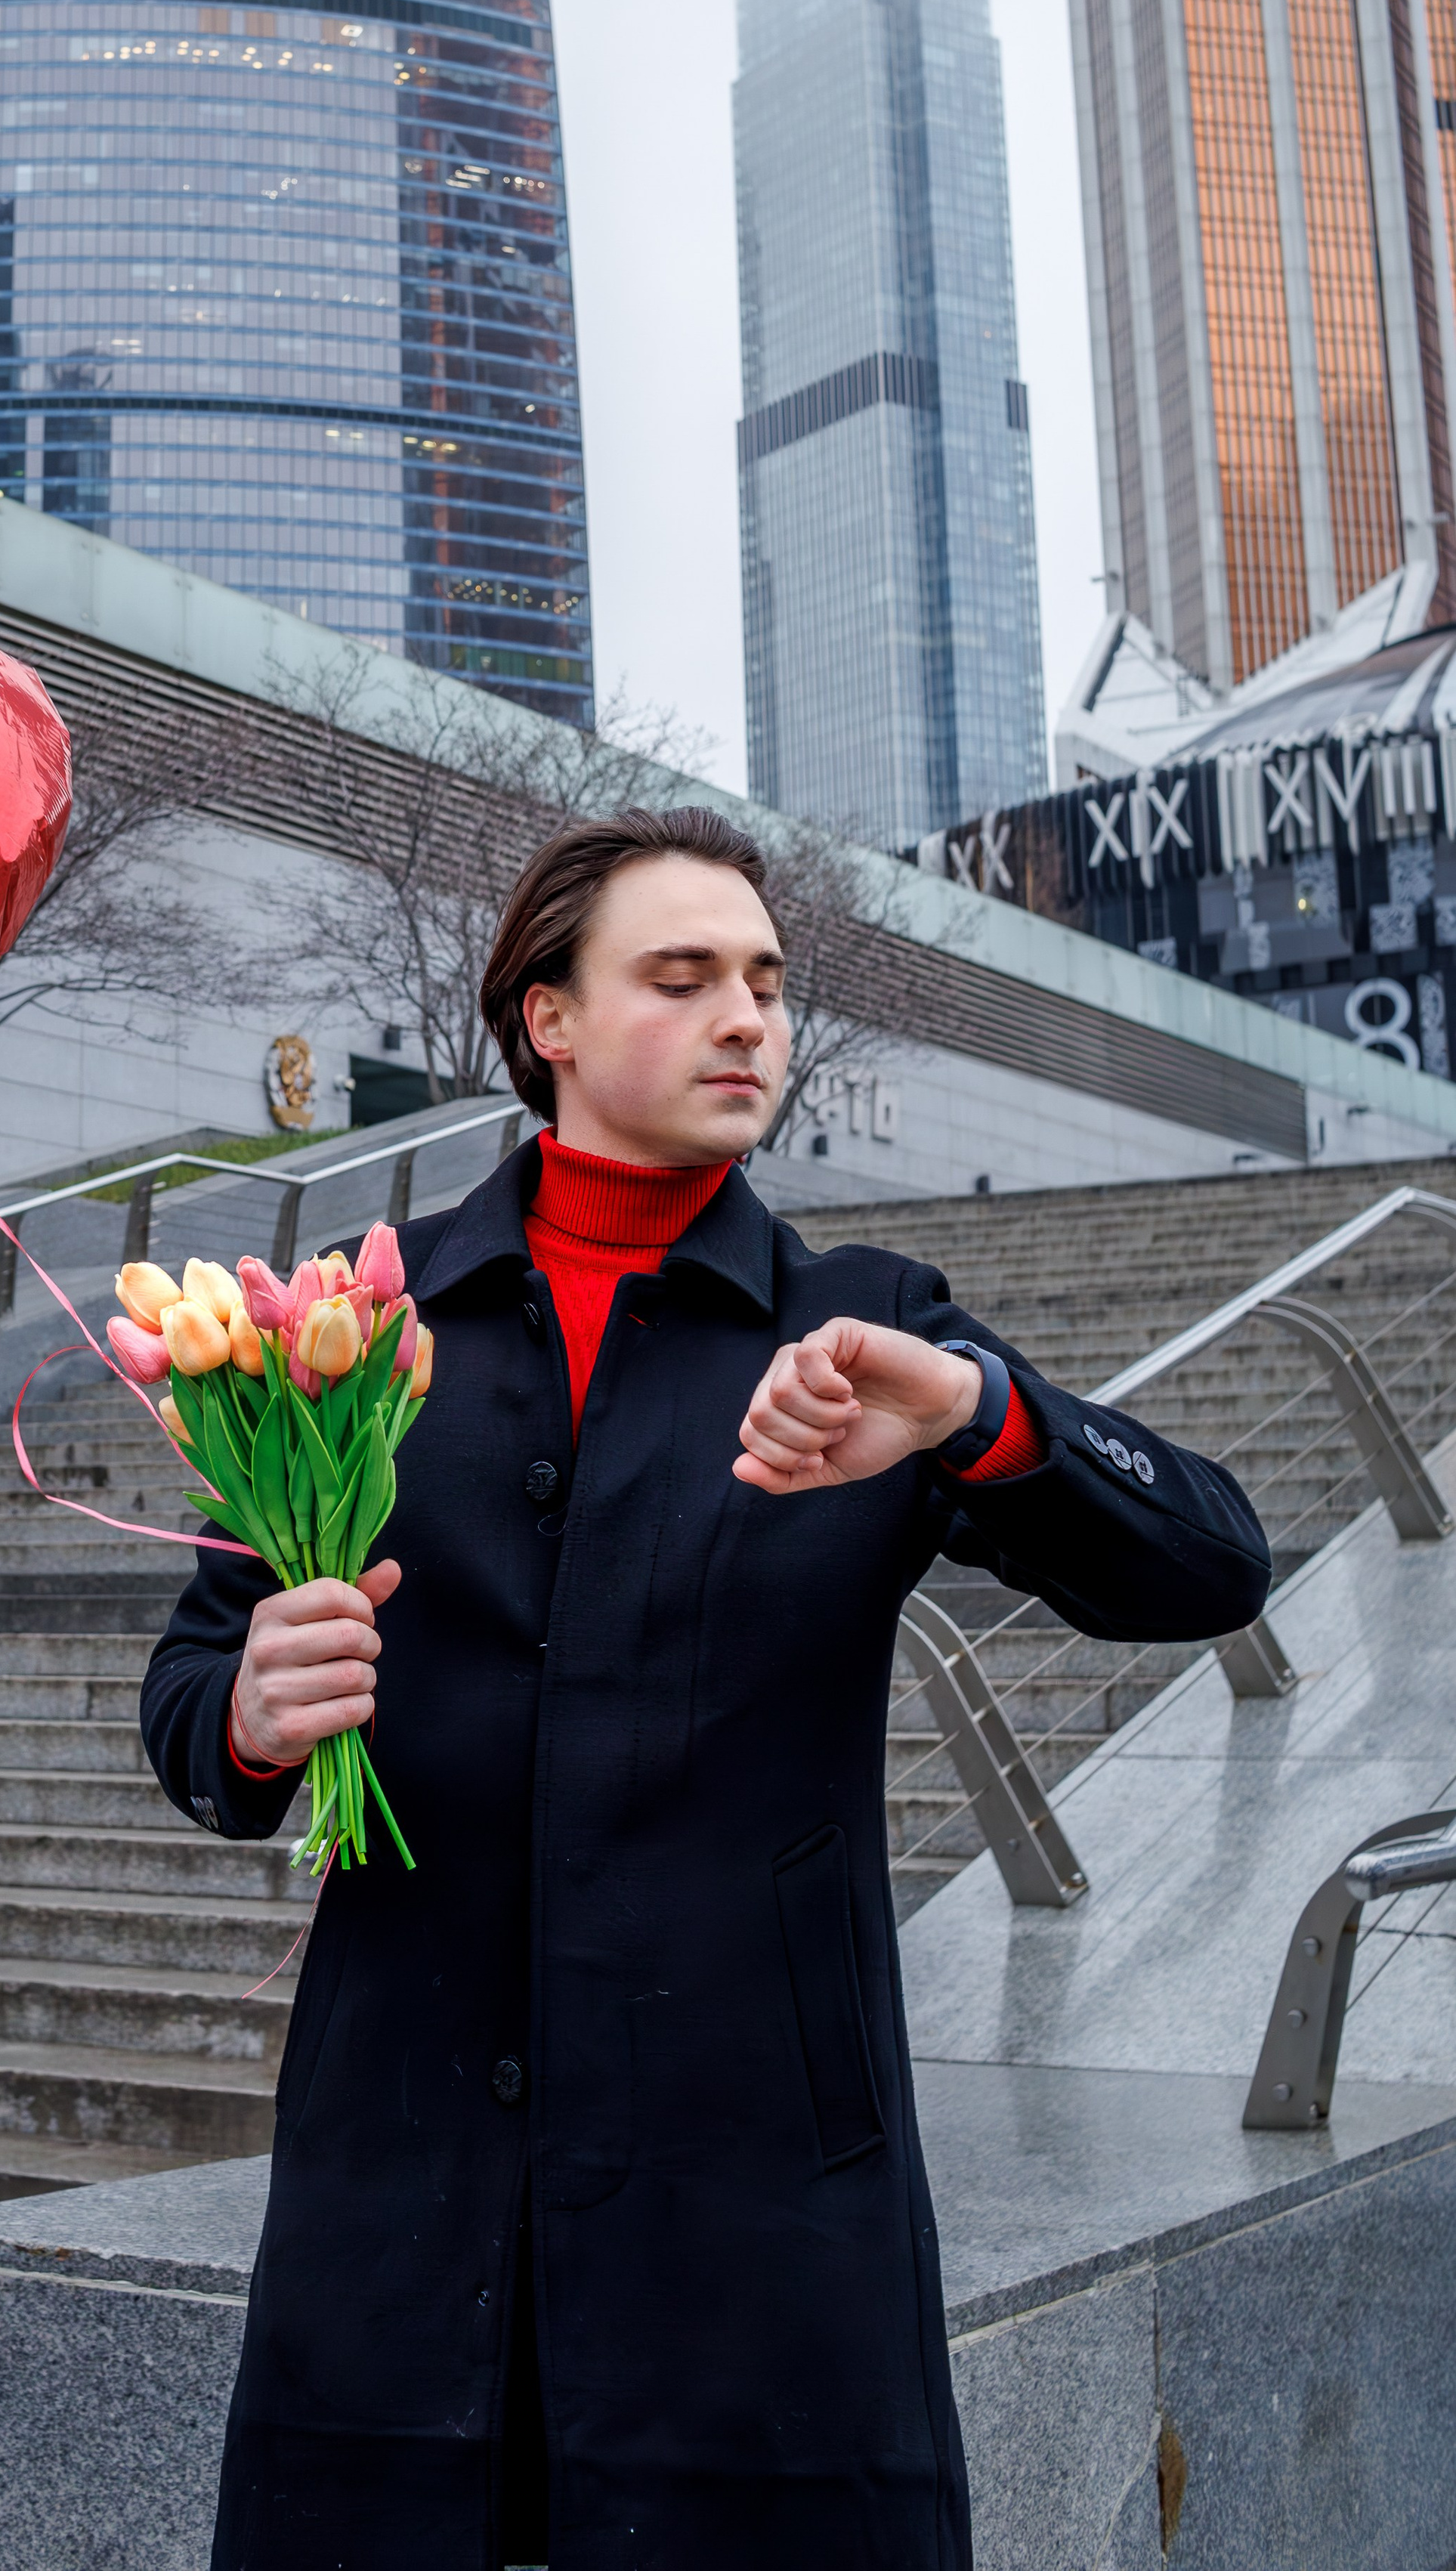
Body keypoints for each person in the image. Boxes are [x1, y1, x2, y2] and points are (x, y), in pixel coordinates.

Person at [141, 806, 1271, 2571]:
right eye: (682, 978)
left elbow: (1208, 1563)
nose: (749, 1017)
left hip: (756, 2200)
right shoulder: (353, 1332)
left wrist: (979, 1420)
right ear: (550, 1020)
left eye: (764, 980)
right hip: (405, 2179)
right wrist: (248, 1709)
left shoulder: (863, 1329)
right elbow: (190, 1693)